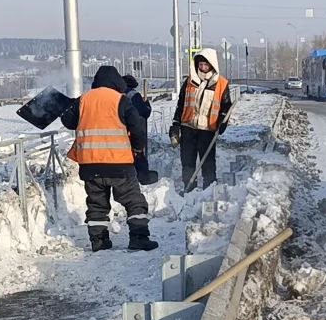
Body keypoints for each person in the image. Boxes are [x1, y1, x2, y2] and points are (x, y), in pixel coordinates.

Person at [60, 66, 158, 252]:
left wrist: (64, 106)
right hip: (119, 164)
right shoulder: (121, 100)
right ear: (117, 82)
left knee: (97, 204)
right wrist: (138, 149)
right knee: (133, 201)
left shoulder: (83, 99)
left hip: (90, 165)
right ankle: (139, 238)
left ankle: (99, 241)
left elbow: (68, 122)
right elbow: (137, 128)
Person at [172, 48, 233, 191]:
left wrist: (222, 122)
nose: (203, 67)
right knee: (187, 162)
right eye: (200, 64)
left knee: (208, 163)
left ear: (212, 65)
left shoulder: (221, 83)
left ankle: (209, 189)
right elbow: (181, 103)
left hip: (207, 130)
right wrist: (175, 124)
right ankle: (189, 189)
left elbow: (226, 106)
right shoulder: (190, 81)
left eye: (206, 64)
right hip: (188, 128)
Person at [123, 74, 159, 185]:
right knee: (138, 154)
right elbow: (144, 112)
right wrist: (147, 104)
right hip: (134, 130)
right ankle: (143, 177)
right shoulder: (134, 95)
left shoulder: (117, 94)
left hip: (120, 132)